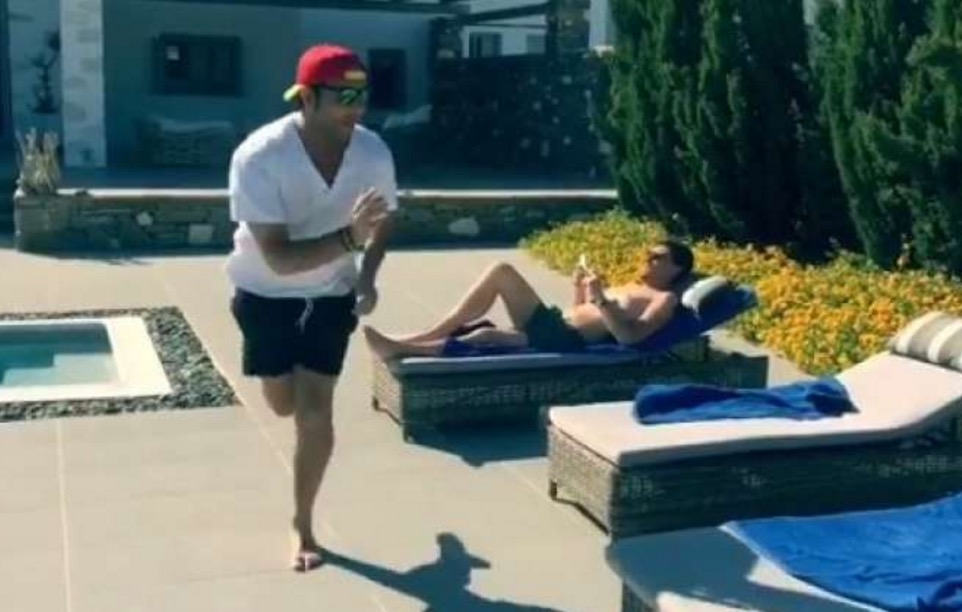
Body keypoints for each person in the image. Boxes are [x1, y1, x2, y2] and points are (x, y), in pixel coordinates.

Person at [225, 43, 396, 572]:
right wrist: (349, 239)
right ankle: (286, 394)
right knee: (282, 404)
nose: (355, 107)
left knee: (316, 412)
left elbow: (385, 218)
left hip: (330, 296)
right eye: (343, 95)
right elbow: (277, 259)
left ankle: (303, 524)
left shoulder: (372, 152)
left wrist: (366, 275)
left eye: (362, 95)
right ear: (306, 97)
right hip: (264, 295)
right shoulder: (260, 156)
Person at [363, 239, 695, 359]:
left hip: (564, 339)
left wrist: (601, 299)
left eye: (658, 257)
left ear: (676, 268)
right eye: (649, 254)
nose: (648, 259)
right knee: (502, 271)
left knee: (486, 336)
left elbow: (631, 338)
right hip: (555, 322)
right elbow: (582, 311)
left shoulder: (663, 300)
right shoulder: (629, 285)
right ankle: (427, 335)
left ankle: (406, 348)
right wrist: (581, 289)